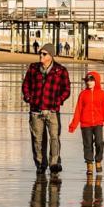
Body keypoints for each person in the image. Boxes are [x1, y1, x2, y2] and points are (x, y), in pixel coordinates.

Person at [22, 43, 70, 176]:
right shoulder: (33, 68)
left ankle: (54, 163)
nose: (41, 56)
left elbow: (66, 90)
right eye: (40, 53)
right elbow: (26, 84)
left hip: (52, 111)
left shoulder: (61, 70)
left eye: (44, 54)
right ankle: (40, 164)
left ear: (51, 56)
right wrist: (28, 97)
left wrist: (58, 101)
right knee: (37, 139)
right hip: (36, 110)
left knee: (54, 138)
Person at [69, 71, 104, 175]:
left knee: (99, 142)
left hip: (98, 123)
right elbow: (78, 110)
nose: (89, 82)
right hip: (85, 124)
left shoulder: (102, 94)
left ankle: (98, 161)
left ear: (96, 81)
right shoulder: (83, 94)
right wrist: (73, 125)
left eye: (91, 80)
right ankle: (89, 165)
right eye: (87, 80)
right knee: (87, 144)